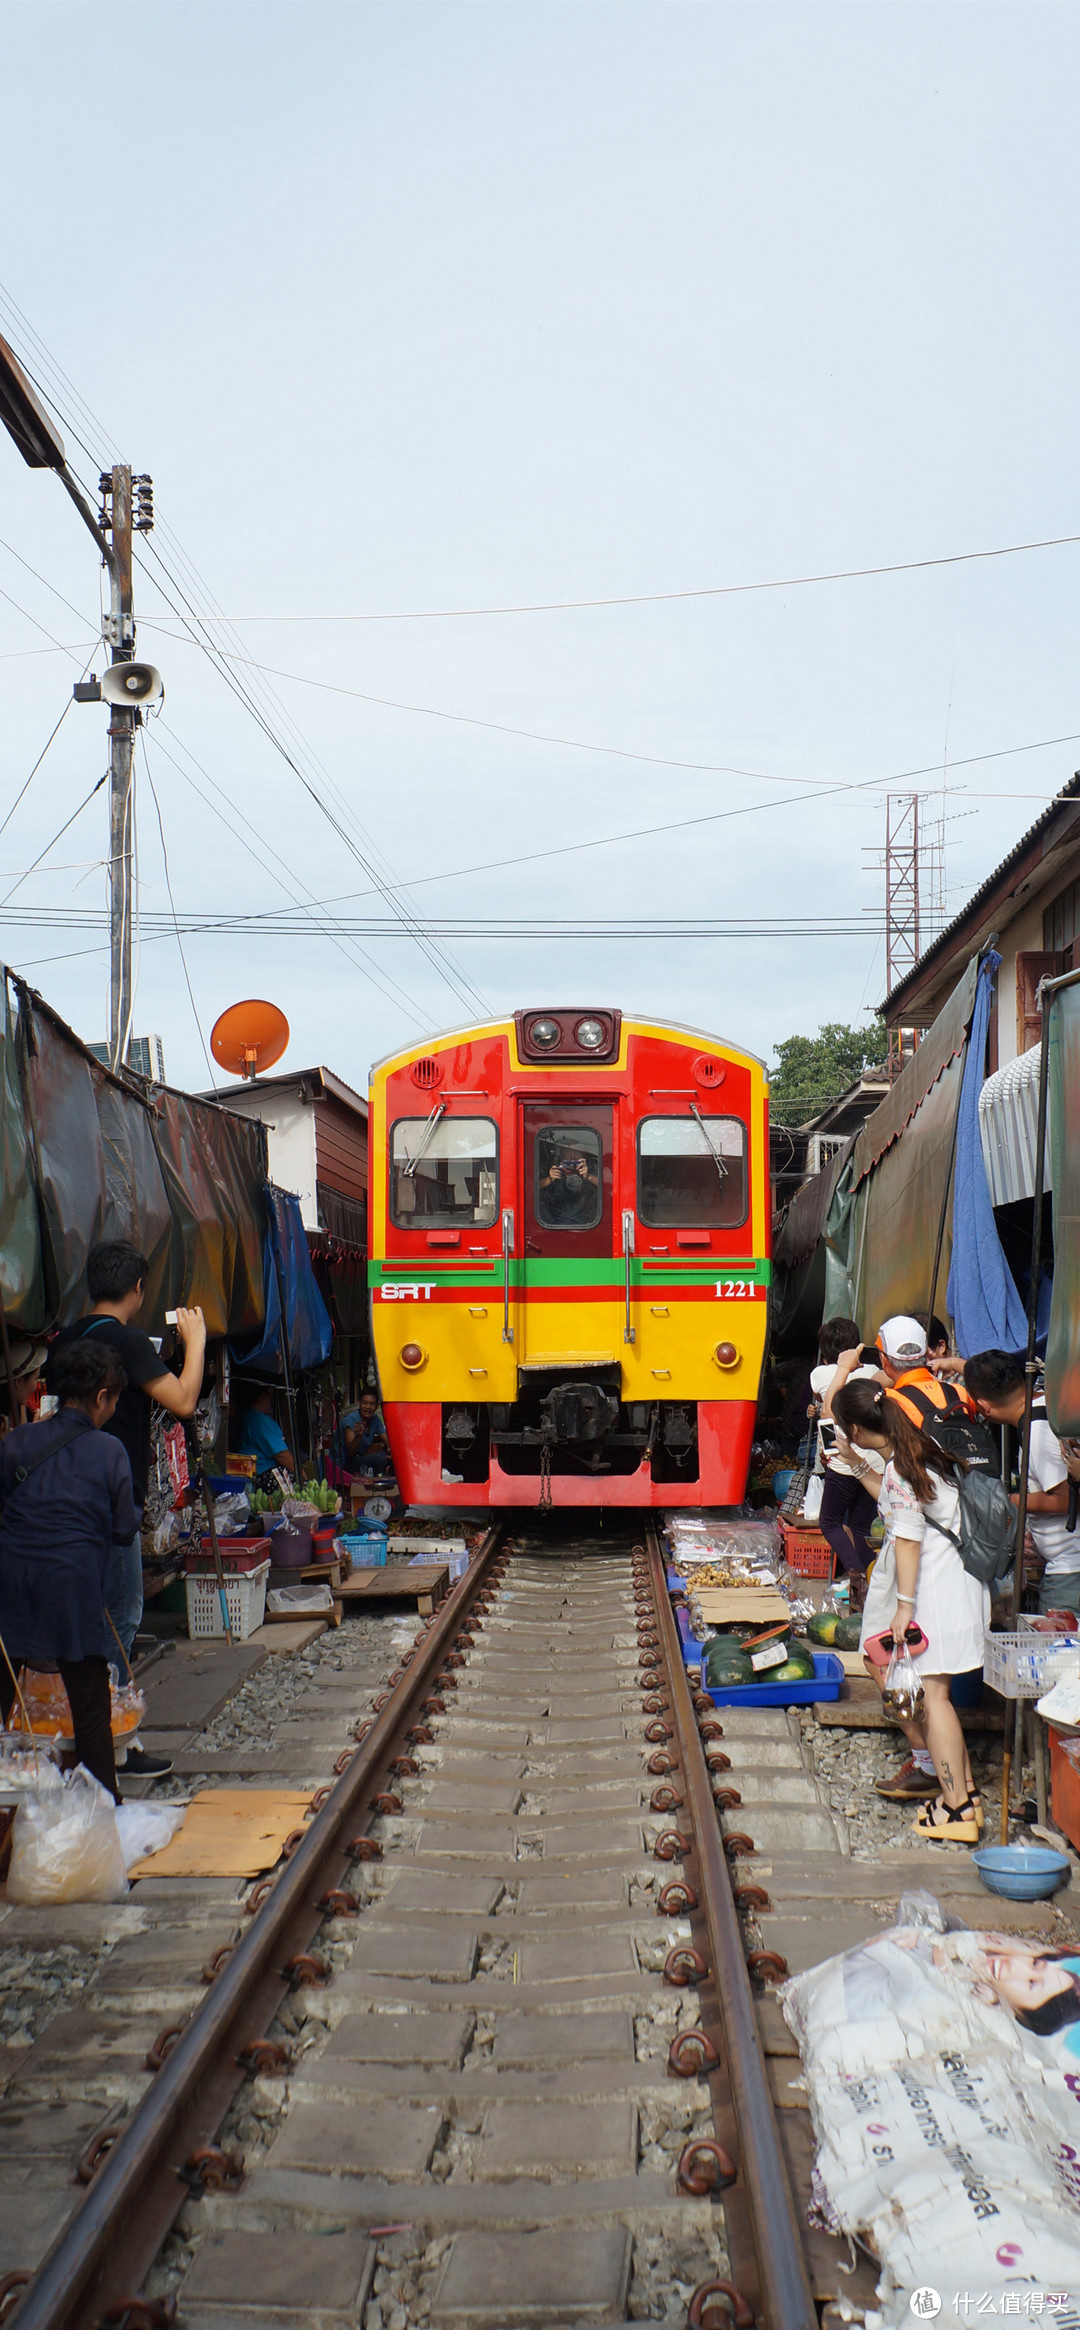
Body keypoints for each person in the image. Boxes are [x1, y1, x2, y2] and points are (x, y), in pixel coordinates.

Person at [46, 1241, 207, 1781]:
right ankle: (115, 1743)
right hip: (111, 1500)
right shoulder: (130, 1341)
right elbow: (183, 1401)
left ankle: (79, 1737)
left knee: (84, 1619)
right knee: (121, 1617)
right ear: (138, 1290)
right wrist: (197, 1342)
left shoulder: (66, 1339)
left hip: (59, 1498)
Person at [831, 1375, 989, 1838]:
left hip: (937, 1593)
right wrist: (858, 1467)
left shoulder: (902, 1467)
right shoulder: (920, 1448)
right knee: (939, 1698)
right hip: (961, 1587)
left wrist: (902, 1608)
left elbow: (907, 1538)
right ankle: (967, 1795)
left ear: (857, 1431)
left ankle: (957, 1810)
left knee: (936, 1700)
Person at [0, 1341, 138, 1801]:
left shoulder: (16, 1442)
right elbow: (123, 1530)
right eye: (114, 1398)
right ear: (101, 1397)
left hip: (11, 1582)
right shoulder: (109, 1450)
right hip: (72, 1584)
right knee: (90, 1707)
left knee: (3, 1694)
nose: (113, 1407)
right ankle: (105, 1807)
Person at [962, 1349, 1073, 1614]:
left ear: (984, 1408)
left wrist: (1006, 1500)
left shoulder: (1037, 1431)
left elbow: (1066, 1499)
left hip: (1070, 1569)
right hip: (1064, 1564)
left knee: (1060, 1652)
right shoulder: (1044, 1405)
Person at [809, 1317, 883, 1576]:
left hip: (842, 1460)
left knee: (829, 1523)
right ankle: (868, 1578)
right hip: (874, 1462)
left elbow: (825, 1411)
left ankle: (856, 1573)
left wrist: (828, 1451)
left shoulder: (819, 1374)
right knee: (862, 1527)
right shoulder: (874, 1372)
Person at [238, 1384, 295, 1476]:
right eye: (270, 1396)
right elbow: (281, 1454)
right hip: (263, 1473)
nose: (270, 1401)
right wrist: (302, 1475)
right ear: (262, 1396)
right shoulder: (259, 1421)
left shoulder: (247, 1416)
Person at [539, 1148, 599, 1226]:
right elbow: (529, 1189)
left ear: (583, 1156)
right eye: (568, 1151)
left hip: (587, 1224)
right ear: (561, 1157)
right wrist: (549, 1179)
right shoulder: (554, 1171)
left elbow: (609, 1187)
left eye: (576, 1151)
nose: (572, 1156)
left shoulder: (590, 1171)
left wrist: (589, 1177)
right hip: (552, 1224)